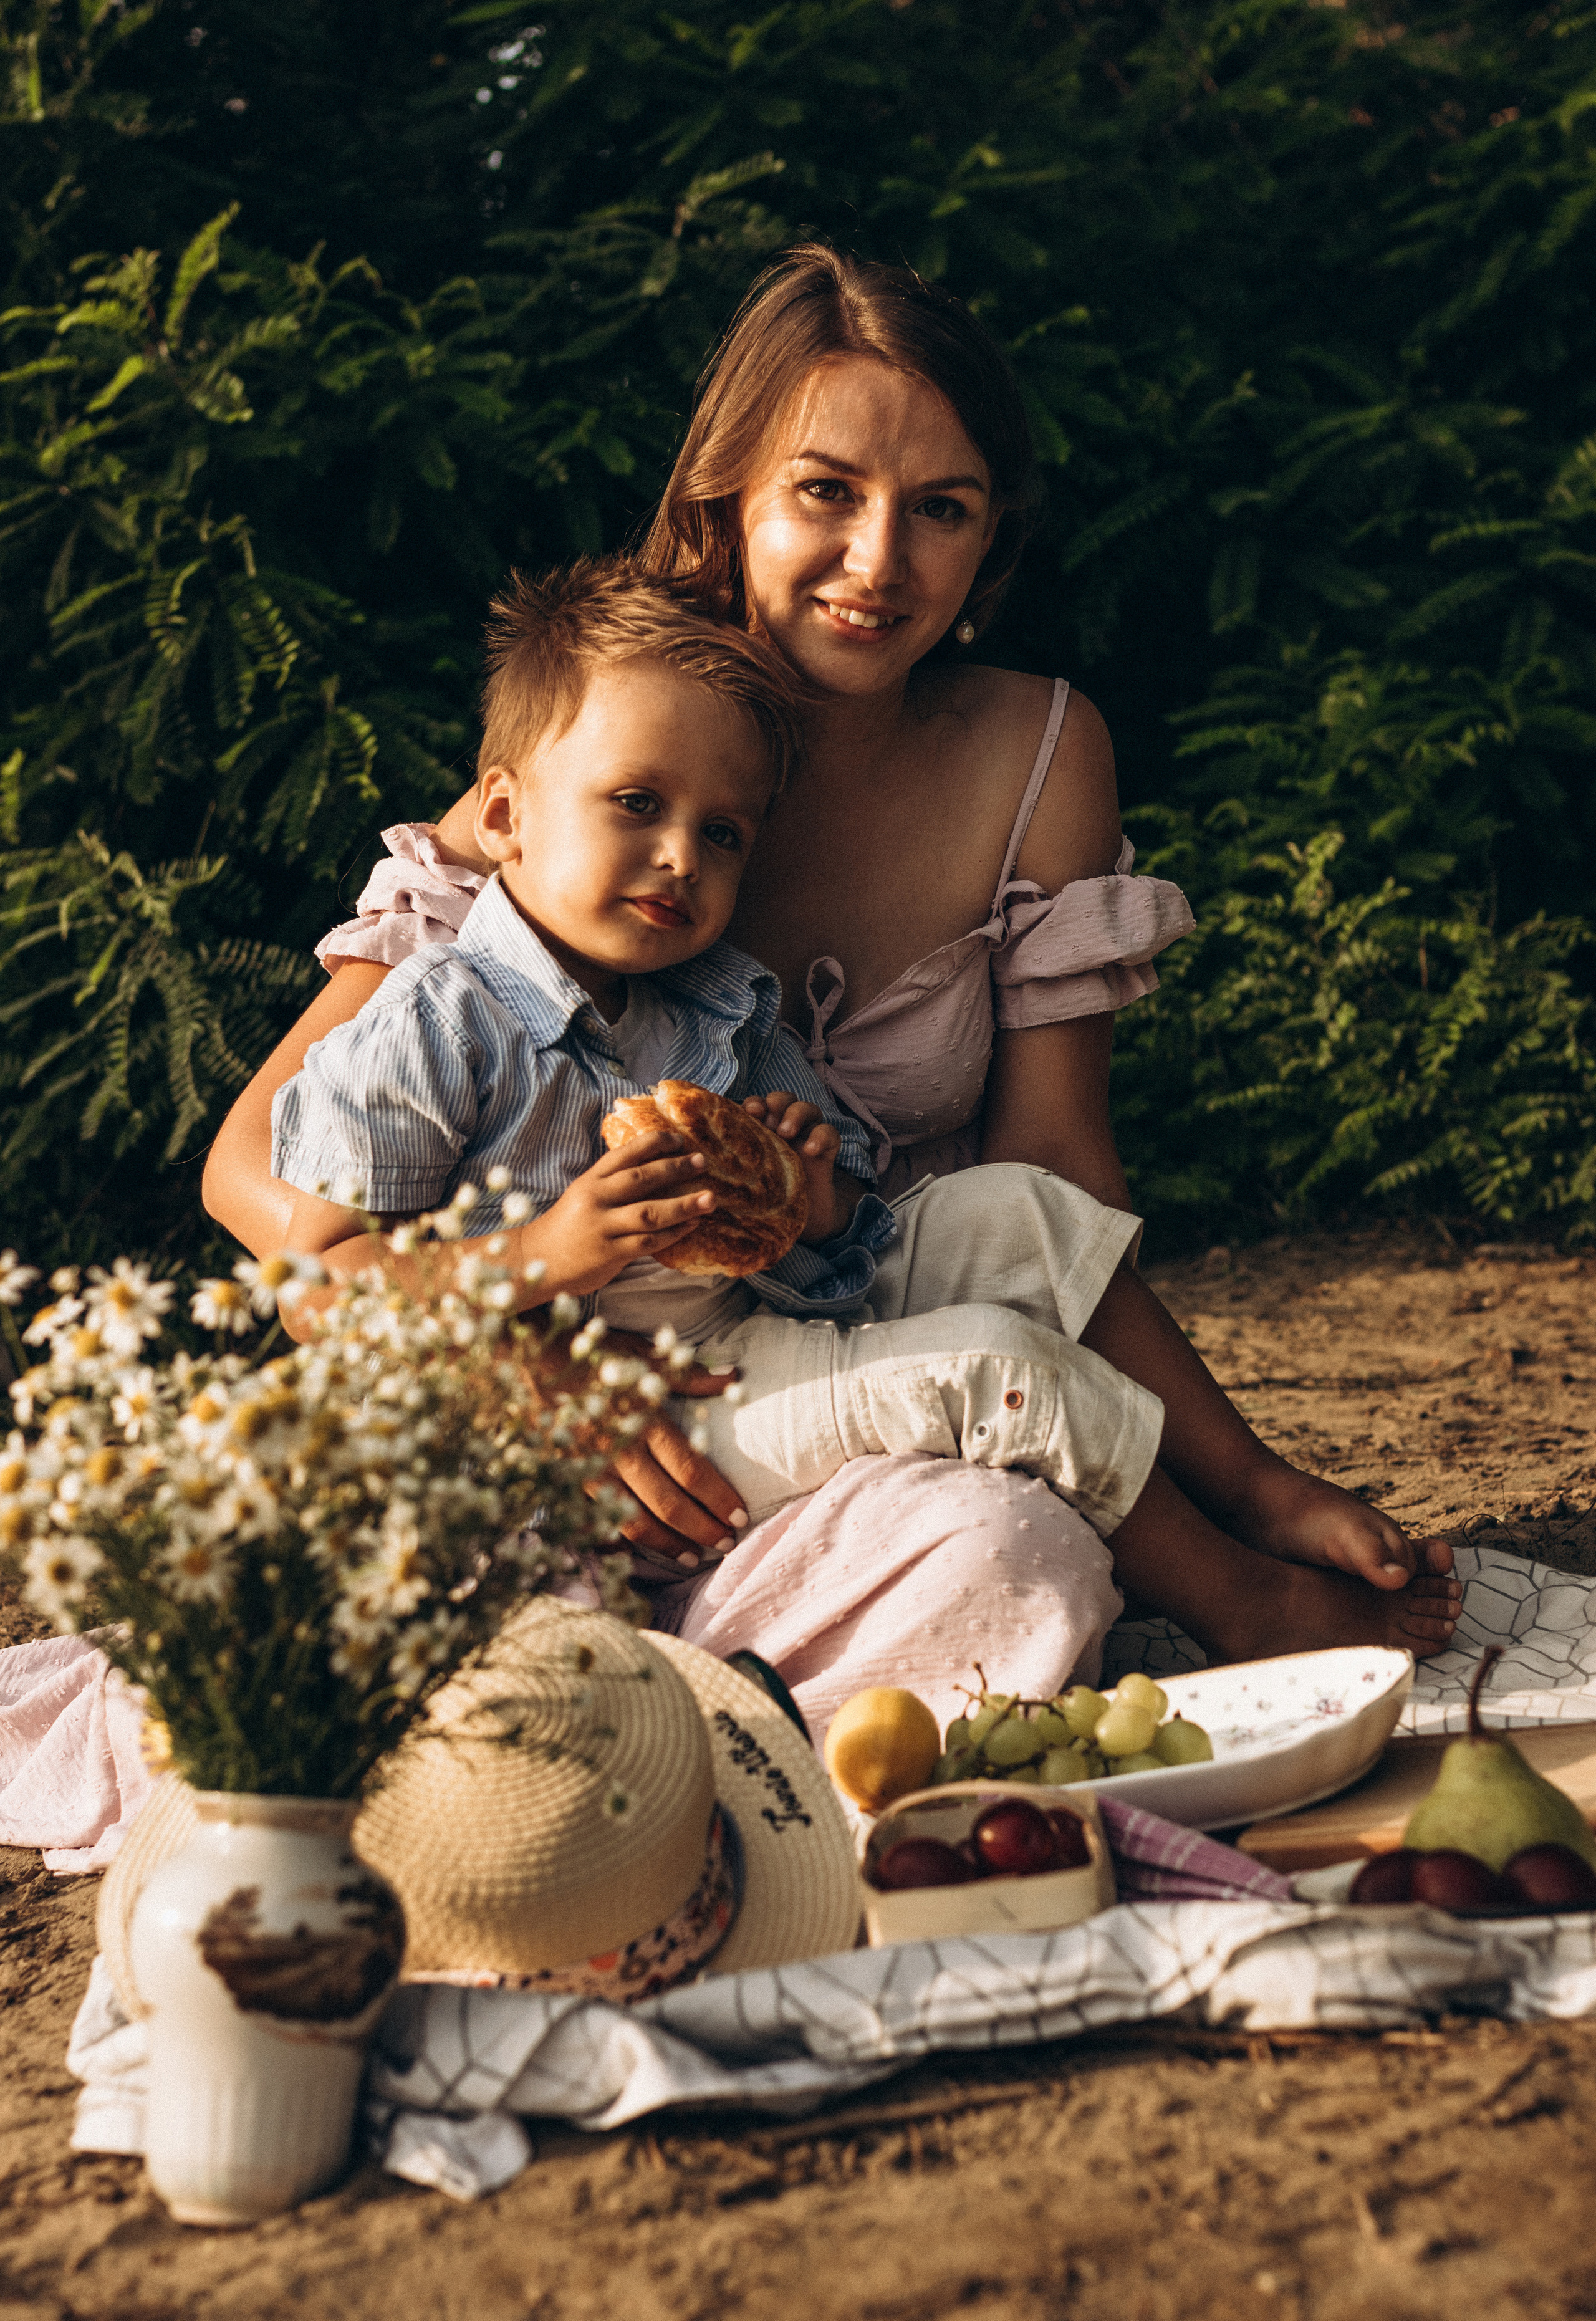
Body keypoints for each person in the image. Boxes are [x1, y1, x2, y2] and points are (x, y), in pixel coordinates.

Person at [204, 245, 1458, 1734]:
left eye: (939, 510)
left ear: (989, 547)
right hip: (571, 1396)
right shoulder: (601, 754)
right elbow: (262, 1176)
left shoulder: (1036, 753)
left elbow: (1049, 1170)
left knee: (1023, 1544)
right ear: (719, 498)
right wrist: (521, 1351)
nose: (878, 562)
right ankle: (627, 1701)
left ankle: (1187, 1544)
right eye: (824, 492)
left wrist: (1230, 1473)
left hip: (853, 1343)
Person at [273, 559, 1164, 1572]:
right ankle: (1238, 1601)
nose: (683, 856)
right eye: (638, 802)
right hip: (545, 1455)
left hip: (732, 1367)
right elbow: (315, 1284)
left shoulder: (730, 1018)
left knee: (1020, 1213)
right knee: (1002, 1375)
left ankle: (1251, 1486)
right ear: (506, 817)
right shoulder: (437, 1022)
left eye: (724, 833)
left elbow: (833, 1262)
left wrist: (811, 1204)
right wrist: (546, 1254)